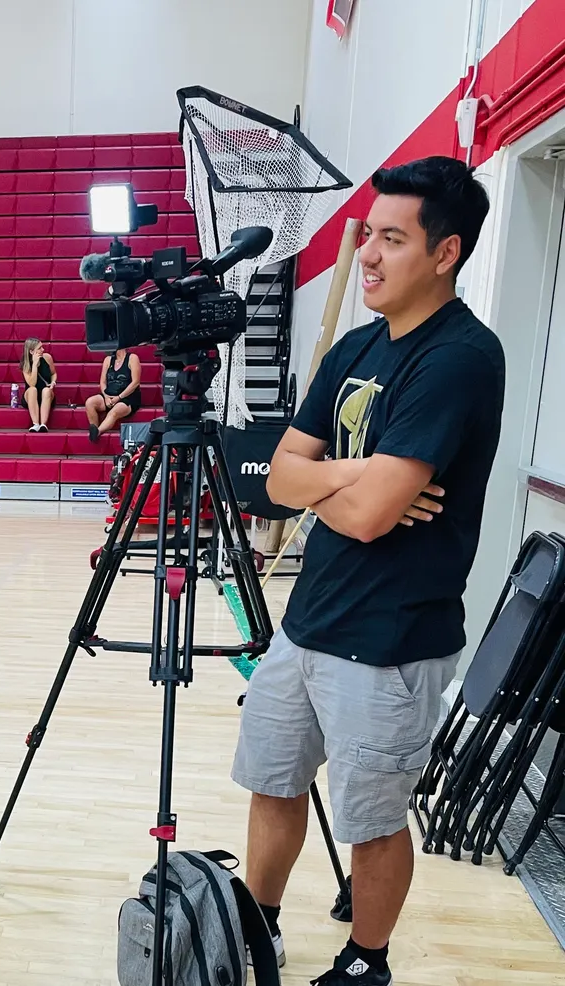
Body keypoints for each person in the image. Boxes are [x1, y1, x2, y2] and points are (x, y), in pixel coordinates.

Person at [233, 157, 501, 986]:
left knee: (373, 821)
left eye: (392, 238)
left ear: (446, 251)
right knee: (274, 785)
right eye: (368, 236)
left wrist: (339, 484)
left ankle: (365, 962)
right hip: (308, 621)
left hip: (389, 640)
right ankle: (261, 926)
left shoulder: (458, 357)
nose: (371, 257)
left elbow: (375, 516)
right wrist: (357, 474)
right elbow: (276, 482)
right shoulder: (355, 345)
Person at [84, 349, 142, 442]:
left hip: (127, 396)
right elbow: (102, 382)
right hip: (109, 394)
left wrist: (119, 398)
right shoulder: (108, 359)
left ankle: (98, 432)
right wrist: (106, 396)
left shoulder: (132, 358)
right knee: (90, 402)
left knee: (114, 412)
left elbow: (135, 383)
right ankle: (93, 428)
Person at [19, 337, 56, 433]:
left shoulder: (47, 357)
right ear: (31, 351)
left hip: (46, 395)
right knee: (32, 390)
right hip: (31, 396)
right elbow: (32, 383)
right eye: (39, 348)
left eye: (42, 347)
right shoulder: (26, 364)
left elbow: (53, 373)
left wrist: (53, 382)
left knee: (46, 390)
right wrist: (35, 365)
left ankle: (43, 424)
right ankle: (35, 424)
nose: (43, 350)